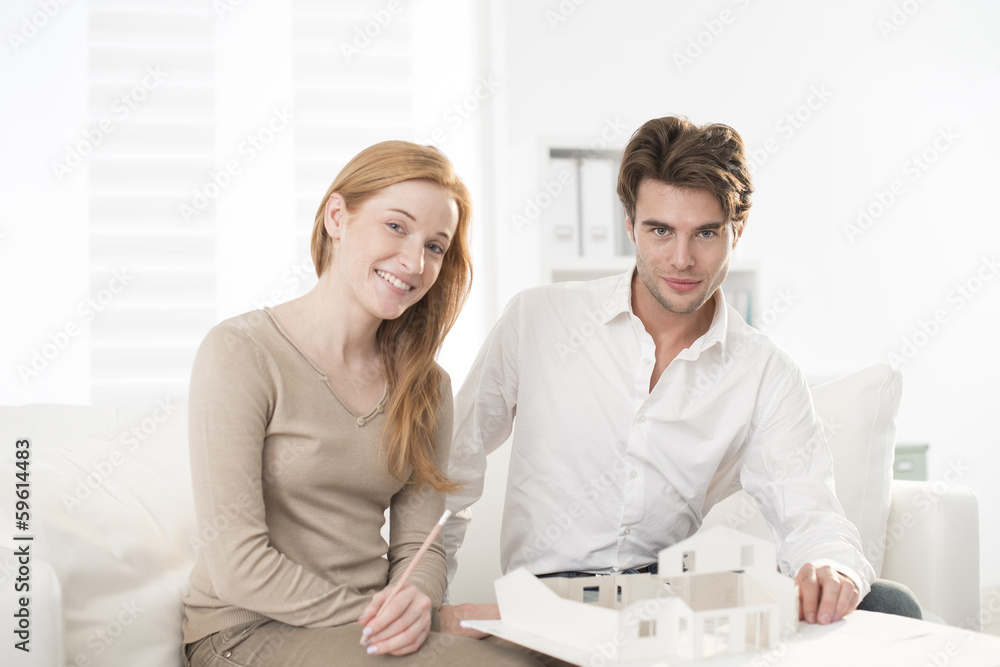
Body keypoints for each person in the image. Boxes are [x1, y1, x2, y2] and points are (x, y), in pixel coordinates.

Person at [441, 116, 921, 639]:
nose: (682, 259)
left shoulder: (764, 371)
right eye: (660, 230)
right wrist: (425, 591)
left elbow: (810, 512)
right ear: (630, 224)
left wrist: (833, 566)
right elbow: (450, 464)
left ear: (737, 231)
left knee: (889, 604)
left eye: (707, 233)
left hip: (659, 602)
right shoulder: (538, 320)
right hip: (544, 598)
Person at [181, 141, 551, 666]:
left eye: (436, 246)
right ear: (337, 216)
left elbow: (418, 548)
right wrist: (400, 619)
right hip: (245, 631)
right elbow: (236, 564)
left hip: (365, 628)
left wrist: (415, 604)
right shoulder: (242, 352)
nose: (414, 261)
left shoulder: (425, 387)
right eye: (396, 226)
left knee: (547, 655)